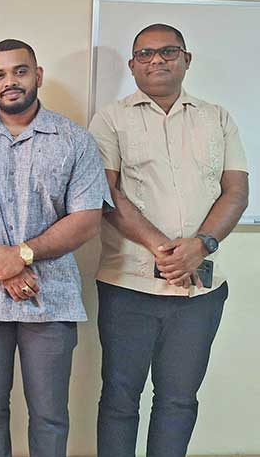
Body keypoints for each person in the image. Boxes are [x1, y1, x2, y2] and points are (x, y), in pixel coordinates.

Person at [89, 23, 249, 457]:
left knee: (178, 400)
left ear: (186, 59)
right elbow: (106, 193)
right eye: (145, 54)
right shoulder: (110, 118)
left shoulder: (218, 118)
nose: (156, 60)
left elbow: (235, 189)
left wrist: (201, 245)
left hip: (199, 291)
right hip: (128, 286)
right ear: (132, 65)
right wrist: (165, 247)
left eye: (167, 52)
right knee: (120, 401)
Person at [0, 39, 111, 457]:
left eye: (20, 71)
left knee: (49, 414)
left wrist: (22, 255)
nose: (10, 82)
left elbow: (87, 220)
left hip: (51, 298)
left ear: (37, 76)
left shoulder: (75, 140)